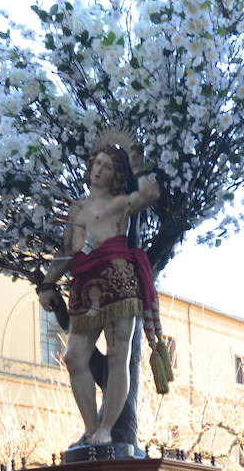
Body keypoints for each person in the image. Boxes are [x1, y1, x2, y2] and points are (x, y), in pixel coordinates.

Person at [36, 135, 164, 447]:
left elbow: (150, 192)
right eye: (97, 164)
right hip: (83, 284)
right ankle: (92, 428)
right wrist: (47, 284)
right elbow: (66, 253)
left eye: (107, 167)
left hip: (119, 280)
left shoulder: (120, 204)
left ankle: (107, 429)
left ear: (115, 175)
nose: (99, 170)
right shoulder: (76, 209)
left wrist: (136, 157)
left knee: (119, 353)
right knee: (74, 357)